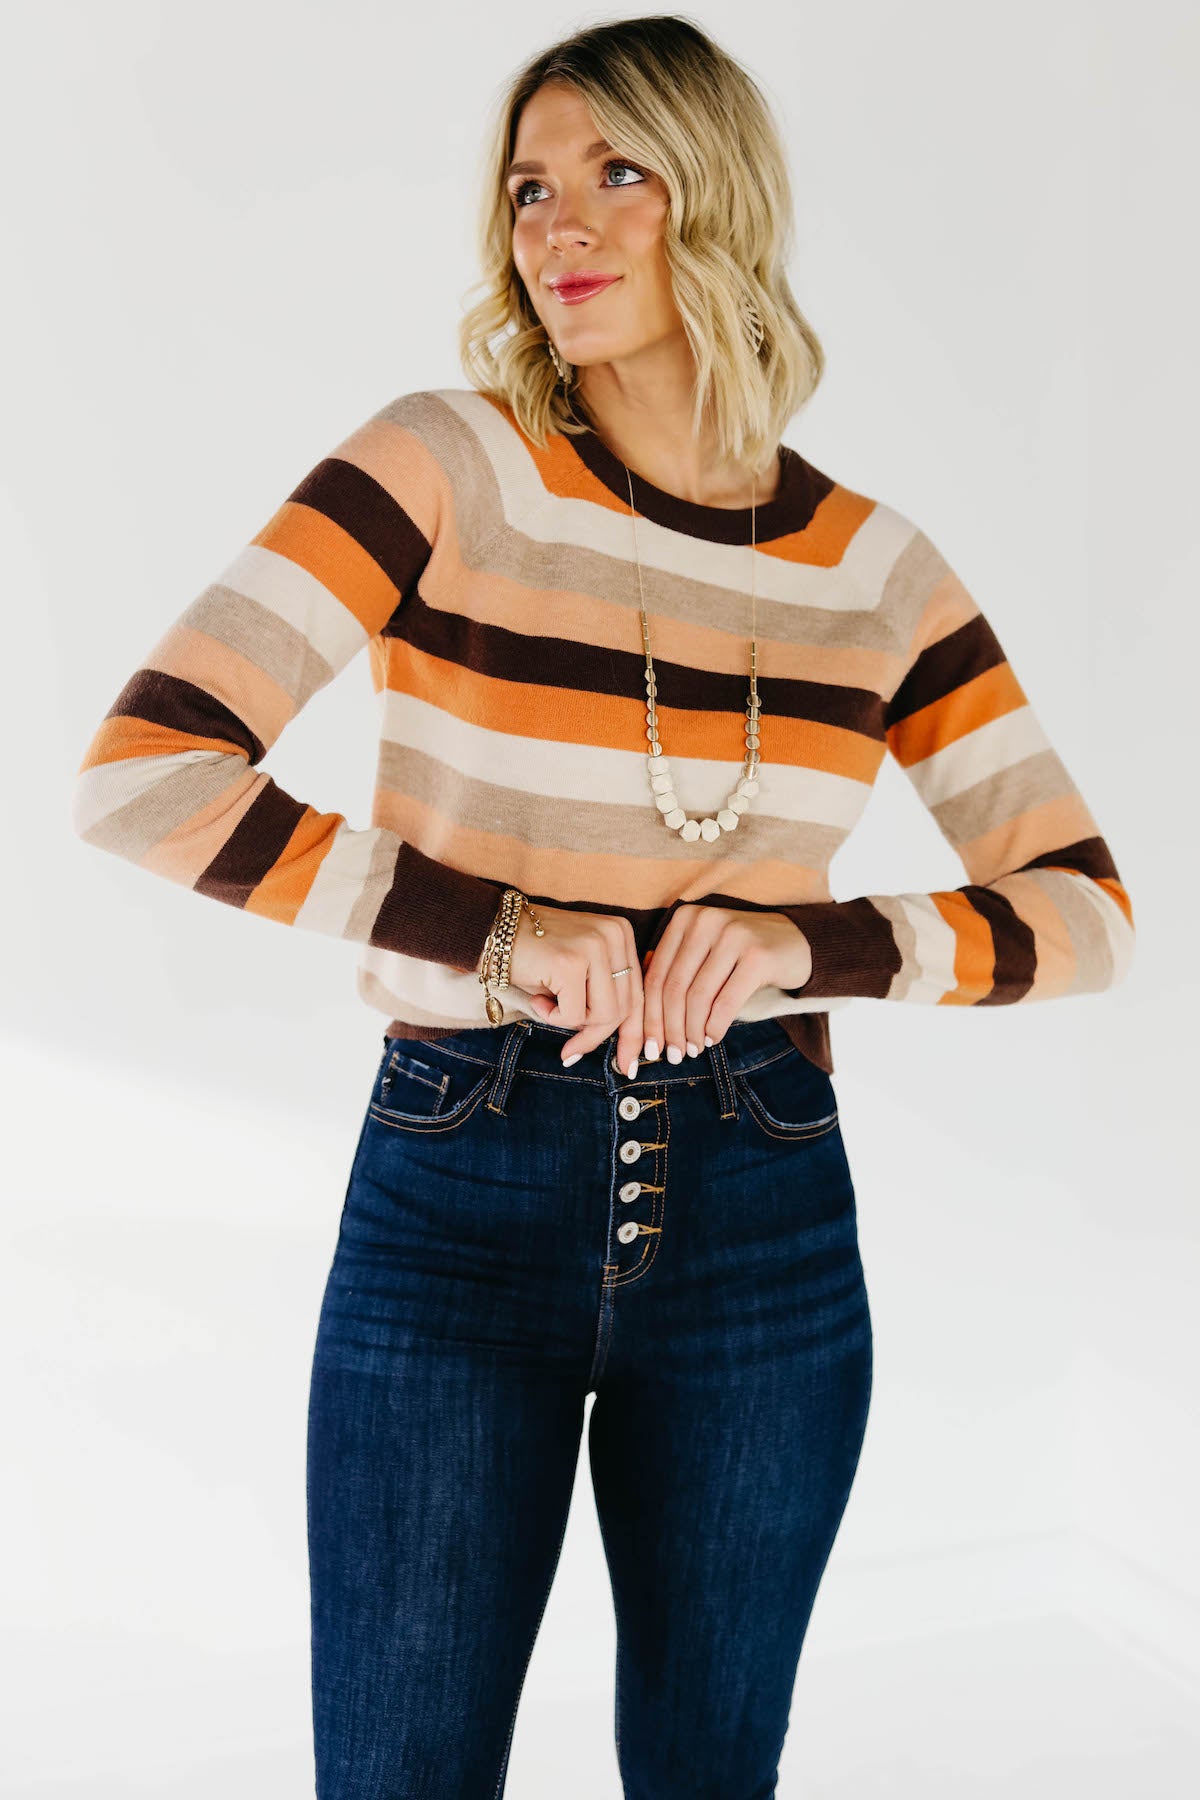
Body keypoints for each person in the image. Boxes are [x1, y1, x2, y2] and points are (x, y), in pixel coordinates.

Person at [71, 16, 1135, 1798]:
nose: (558, 228)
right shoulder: (447, 465)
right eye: (528, 189)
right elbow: (144, 772)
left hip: (763, 1207)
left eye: (616, 174)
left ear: (718, 200)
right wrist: (495, 931)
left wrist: (811, 944)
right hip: (459, 1181)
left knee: (711, 1773)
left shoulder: (878, 574)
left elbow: (1088, 912)